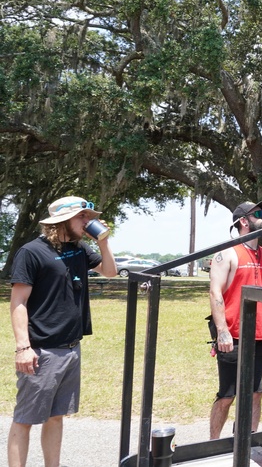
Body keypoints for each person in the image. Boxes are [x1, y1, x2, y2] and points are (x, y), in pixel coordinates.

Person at [8, 196, 117, 467]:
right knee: (25, 419)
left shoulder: (79, 249)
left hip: (71, 348)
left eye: (88, 217)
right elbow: (18, 303)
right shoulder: (32, 252)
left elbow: (111, 272)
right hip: (41, 351)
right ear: (62, 221)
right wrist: (23, 347)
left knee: (56, 416)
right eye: (82, 216)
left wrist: (103, 241)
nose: (87, 221)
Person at [208, 201, 262, 439]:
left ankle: (247, 441)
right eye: (259, 214)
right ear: (243, 221)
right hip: (233, 336)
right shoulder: (227, 253)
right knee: (227, 395)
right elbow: (215, 292)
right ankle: (213, 445)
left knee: (256, 392)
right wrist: (222, 331)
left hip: (260, 335)